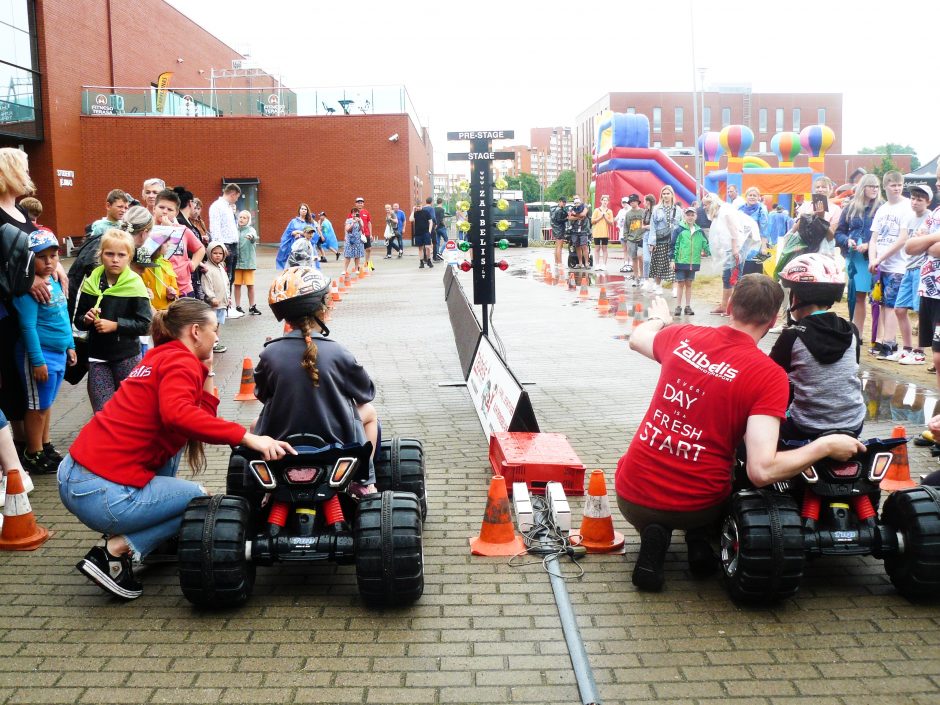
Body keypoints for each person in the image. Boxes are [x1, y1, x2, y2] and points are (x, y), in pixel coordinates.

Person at [615, 275, 865, 591]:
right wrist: (825, 445)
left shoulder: (683, 335)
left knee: (656, 478)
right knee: (735, 472)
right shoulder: (767, 375)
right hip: (698, 504)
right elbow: (761, 471)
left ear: (731, 306)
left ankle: (657, 532)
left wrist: (659, 319)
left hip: (631, 496)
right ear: (774, 319)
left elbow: (637, 339)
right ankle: (699, 538)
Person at [59, 298, 295, 600]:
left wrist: (207, 371)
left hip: (74, 477)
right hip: (101, 494)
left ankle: (159, 542)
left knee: (173, 449)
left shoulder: (160, 356)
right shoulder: (180, 361)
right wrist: (246, 437)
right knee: (199, 500)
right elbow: (178, 414)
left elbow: (197, 421)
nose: (218, 336)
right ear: (196, 331)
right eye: (215, 329)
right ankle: (114, 554)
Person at [255, 267, 378, 489]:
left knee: (254, 426)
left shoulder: (269, 353)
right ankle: (364, 480)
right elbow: (366, 393)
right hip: (337, 443)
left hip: (281, 442)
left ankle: (258, 489)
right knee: (370, 413)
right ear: (321, 309)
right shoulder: (338, 352)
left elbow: (262, 395)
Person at [0, 147, 67, 445]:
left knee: (32, 380)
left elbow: (37, 250)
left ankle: (39, 443)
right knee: (14, 378)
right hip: (8, 309)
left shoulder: (22, 211)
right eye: (24, 167)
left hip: (36, 313)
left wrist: (56, 269)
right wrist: (27, 282)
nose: (28, 174)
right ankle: (23, 445)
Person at [770, 254, 864, 441]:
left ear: (796, 297)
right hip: (853, 424)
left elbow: (768, 376)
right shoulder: (851, 331)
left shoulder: (792, 336)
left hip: (805, 426)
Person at [13, 230, 76, 473]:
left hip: (58, 352)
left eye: (53, 256)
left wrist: (70, 345)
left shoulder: (54, 282)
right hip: (40, 355)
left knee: (47, 403)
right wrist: (38, 361)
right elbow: (28, 326)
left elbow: (62, 316)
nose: (49, 262)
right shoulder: (29, 291)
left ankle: (45, 444)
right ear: (30, 260)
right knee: (37, 406)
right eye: (42, 257)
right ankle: (33, 452)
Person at [74, 229, 151, 413]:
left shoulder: (135, 283)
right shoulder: (92, 281)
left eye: (121, 255)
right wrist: (86, 319)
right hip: (97, 357)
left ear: (129, 257)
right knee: (102, 411)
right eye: (109, 254)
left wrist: (116, 325)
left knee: (131, 409)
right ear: (101, 255)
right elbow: (77, 320)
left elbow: (145, 325)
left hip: (127, 356)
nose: (115, 259)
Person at [867, 172, 912, 360]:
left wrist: (880, 258)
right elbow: (874, 238)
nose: (897, 188)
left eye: (900, 184)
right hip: (880, 266)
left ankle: (890, 342)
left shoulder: (907, 207)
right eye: (893, 185)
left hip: (898, 265)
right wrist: (872, 259)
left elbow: (903, 238)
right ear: (885, 186)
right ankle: (885, 340)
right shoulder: (882, 209)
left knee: (892, 304)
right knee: (881, 302)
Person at [886, 184, 932, 365]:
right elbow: (904, 239)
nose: (915, 202)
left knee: (920, 312)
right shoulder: (909, 218)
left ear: (928, 202)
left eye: (920, 199)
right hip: (909, 267)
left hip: (922, 268)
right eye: (913, 198)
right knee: (899, 309)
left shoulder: (931, 219)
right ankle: (907, 349)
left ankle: (920, 352)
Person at [835, 173, 883, 336]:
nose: (875, 189)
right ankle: (858, 334)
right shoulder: (850, 207)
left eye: (877, 186)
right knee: (858, 296)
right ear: (863, 187)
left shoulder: (882, 208)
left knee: (879, 298)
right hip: (855, 258)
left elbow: (887, 235)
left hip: (876, 257)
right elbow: (839, 232)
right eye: (871, 186)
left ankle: (880, 337)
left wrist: (869, 245)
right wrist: (847, 240)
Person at [704, 193, 759, 316]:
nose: (705, 207)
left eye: (706, 204)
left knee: (734, 276)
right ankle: (724, 306)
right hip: (730, 245)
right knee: (726, 275)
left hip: (739, 242)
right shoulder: (719, 213)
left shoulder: (726, 211)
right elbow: (721, 234)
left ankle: (734, 307)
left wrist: (735, 249)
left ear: (712, 203)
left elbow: (734, 230)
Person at [153, 189, 205, 301]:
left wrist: (192, 265)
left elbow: (200, 248)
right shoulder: (148, 231)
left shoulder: (182, 230)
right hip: (161, 288)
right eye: (161, 207)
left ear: (176, 213)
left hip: (183, 287)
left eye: (170, 209)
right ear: (154, 208)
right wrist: (165, 231)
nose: (165, 212)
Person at [208, 183, 241, 316]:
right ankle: (224, 308)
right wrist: (220, 247)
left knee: (230, 278)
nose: (236, 200)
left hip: (232, 244)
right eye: (236, 197)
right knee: (224, 277)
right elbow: (215, 228)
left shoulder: (228, 207)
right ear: (232, 194)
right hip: (225, 245)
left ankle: (228, 305)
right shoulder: (217, 206)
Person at [670, 206, 709, 317]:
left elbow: (705, 244)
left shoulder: (699, 231)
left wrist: (712, 251)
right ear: (684, 216)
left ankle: (688, 306)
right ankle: (678, 306)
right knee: (680, 283)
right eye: (688, 215)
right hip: (681, 261)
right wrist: (672, 259)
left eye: (692, 215)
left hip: (693, 262)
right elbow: (673, 245)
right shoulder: (679, 229)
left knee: (689, 283)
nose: (690, 217)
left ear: (696, 216)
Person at [647, 186, 682, 295]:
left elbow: (681, 226)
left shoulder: (678, 210)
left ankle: (675, 288)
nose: (666, 196)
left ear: (672, 195)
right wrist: (652, 242)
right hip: (660, 240)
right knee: (659, 264)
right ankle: (658, 285)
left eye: (668, 193)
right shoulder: (657, 209)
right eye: (664, 194)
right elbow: (653, 226)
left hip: (673, 241)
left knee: (675, 265)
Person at [200, 242, 229, 354]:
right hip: (214, 303)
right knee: (212, 324)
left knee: (218, 324)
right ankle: (211, 343)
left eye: (220, 253)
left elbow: (226, 283)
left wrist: (228, 298)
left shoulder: (221, 266)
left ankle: (215, 342)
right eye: (215, 253)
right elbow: (206, 285)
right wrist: (211, 298)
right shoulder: (208, 269)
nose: (218, 255)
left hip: (222, 302)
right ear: (209, 253)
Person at [234, 210, 260, 315]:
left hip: (248, 263)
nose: (242, 219)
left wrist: (251, 237)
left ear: (248, 220)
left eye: (244, 218)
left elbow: (253, 236)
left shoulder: (251, 230)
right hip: (236, 263)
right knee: (237, 285)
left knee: (250, 285)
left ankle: (252, 306)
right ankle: (237, 306)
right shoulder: (234, 230)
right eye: (240, 217)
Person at [277, 204, 315, 270]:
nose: (304, 210)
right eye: (302, 209)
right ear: (299, 210)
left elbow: (313, 234)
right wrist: (294, 233)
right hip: (295, 246)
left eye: (305, 209)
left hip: (306, 246)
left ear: (307, 211)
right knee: (294, 265)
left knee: (306, 265)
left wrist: (299, 232)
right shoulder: (293, 221)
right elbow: (288, 232)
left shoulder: (310, 222)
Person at [620, 194, 645, 282]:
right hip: (631, 239)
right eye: (630, 201)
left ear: (638, 202)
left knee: (640, 257)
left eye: (633, 201)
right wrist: (626, 238)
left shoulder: (643, 212)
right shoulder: (628, 214)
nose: (632, 203)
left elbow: (646, 223)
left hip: (641, 238)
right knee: (634, 258)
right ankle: (636, 276)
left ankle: (642, 276)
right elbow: (626, 226)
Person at [738, 187, 769, 255]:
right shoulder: (740, 209)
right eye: (750, 195)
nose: (752, 197)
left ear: (758, 197)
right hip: (741, 245)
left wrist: (763, 247)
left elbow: (764, 230)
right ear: (746, 196)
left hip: (755, 245)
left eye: (754, 195)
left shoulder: (761, 210)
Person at [590, 194, 613, 271]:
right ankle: (597, 264)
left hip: (605, 233)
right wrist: (600, 217)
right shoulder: (597, 210)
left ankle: (604, 264)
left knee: (604, 248)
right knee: (597, 248)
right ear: (601, 201)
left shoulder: (609, 211)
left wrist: (605, 217)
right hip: (597, 232)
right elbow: (592, 221)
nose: (605, 202)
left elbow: (611, 223)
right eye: (603, 200)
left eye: (606, 200)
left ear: (608, 202)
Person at [567, 195, 590, 269]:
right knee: (577, 246)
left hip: (583, 229)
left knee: (584, 246)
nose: (576, 201)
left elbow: (584, 214)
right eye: (574, 200)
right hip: (574, 230)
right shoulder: (571, 208)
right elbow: (570, 217)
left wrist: (575, 214)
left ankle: (586, 263)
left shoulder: (585, 206)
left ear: (580, 200)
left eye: (577, 200)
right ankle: (580, 263)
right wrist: (578, 217)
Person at [410, 201, 434, 269]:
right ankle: (421, 262)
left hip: (426, 232)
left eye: (419, 206)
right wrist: (413, 210)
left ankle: (429, 260)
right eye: (417, 206)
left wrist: (429, 231)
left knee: (427, 247)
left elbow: (431, 222)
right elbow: (411, 219)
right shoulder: (415, 213)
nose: (418, 207)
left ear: (422, 206)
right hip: (418, 233)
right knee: (420, 248)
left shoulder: (426, 212)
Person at [352, 197, 374, 271]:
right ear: (356, 204)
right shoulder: (353, 212)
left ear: (363, 204)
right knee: (357, 250)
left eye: (361, 202)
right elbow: (349, 222)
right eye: (358, 202)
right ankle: (357, 266)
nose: (360, 204)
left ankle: (367, 263)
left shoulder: (366, 212)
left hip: (366, 233)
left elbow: (369, 223)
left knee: (369, 249)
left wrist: (370, 234)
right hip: (357, 234)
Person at [343, 207, 367, 273]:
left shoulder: (360, 220)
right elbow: (347, 229)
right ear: (351, 214)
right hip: (350, 239)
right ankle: (345, 270)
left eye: (356, 213)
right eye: (353, 213)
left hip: (358, 240)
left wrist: (359, 221)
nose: (354, 214)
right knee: (348, 255)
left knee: (357, 255)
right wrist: (353, 223)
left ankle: (356, 269)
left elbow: (362, 228)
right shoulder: (348, 220)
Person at [550, 196, 569, 266]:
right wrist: (567, 219)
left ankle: (556, 262)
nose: (564, 203)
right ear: (559, 201)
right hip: (559, 230)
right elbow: (559, 220)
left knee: (557, 246)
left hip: (556, 229)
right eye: (563, 202)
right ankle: (559, 262)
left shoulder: (554, 209)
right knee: (559, 247)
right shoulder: (559, 210)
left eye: (565, 202)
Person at [433, 196, 448, 261]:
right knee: (446, 240)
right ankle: (440, 252)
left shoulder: (434, 209)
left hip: (436, 227)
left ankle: (436, 254)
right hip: (441, 227)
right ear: (441, 202)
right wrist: (445, 225)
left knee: (437, 242)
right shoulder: (442, 209)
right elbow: (442, 219)